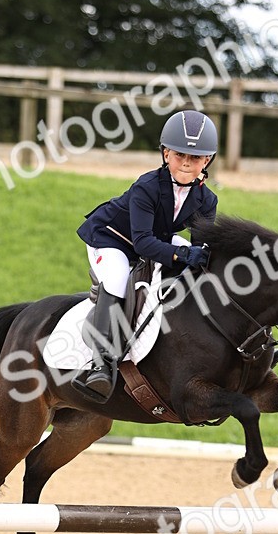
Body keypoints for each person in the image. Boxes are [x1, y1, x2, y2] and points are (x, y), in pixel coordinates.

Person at [72, 108, 219, 402]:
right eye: (179, 155)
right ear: (166, 154)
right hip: (112, 238)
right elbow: (142, 244)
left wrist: (198, 257)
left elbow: (200, 247)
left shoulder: (206, 199)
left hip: (155, 237)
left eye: (194, 158)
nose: (186, 163)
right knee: (117, 277)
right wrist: (182, 255)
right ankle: (100, 363)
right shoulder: (147, 186)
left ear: (207, 160)